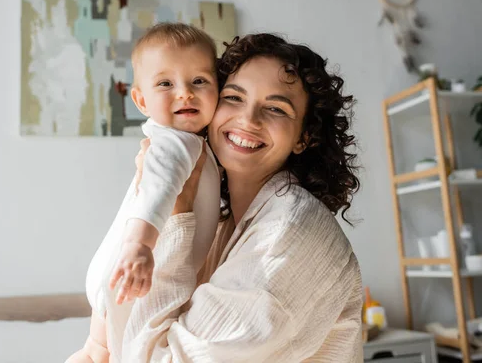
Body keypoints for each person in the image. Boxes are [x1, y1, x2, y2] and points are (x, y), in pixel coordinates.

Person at [120, 33, 363, 362]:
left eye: (276, 108)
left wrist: (177, 216)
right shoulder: (221, 223)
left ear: (303, 138)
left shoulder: (289, 232)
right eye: (233, 98)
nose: (248, 120)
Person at [65, 23, 221, 363]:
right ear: (141, 100)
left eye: (199, 81)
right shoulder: (174, 143)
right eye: (166, 83)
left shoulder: (192, 142)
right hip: (139, 263)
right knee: (101, 348)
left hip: (127, 268)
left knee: (98, 350)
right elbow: (157, 192)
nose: (185, 93)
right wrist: (140, 246)